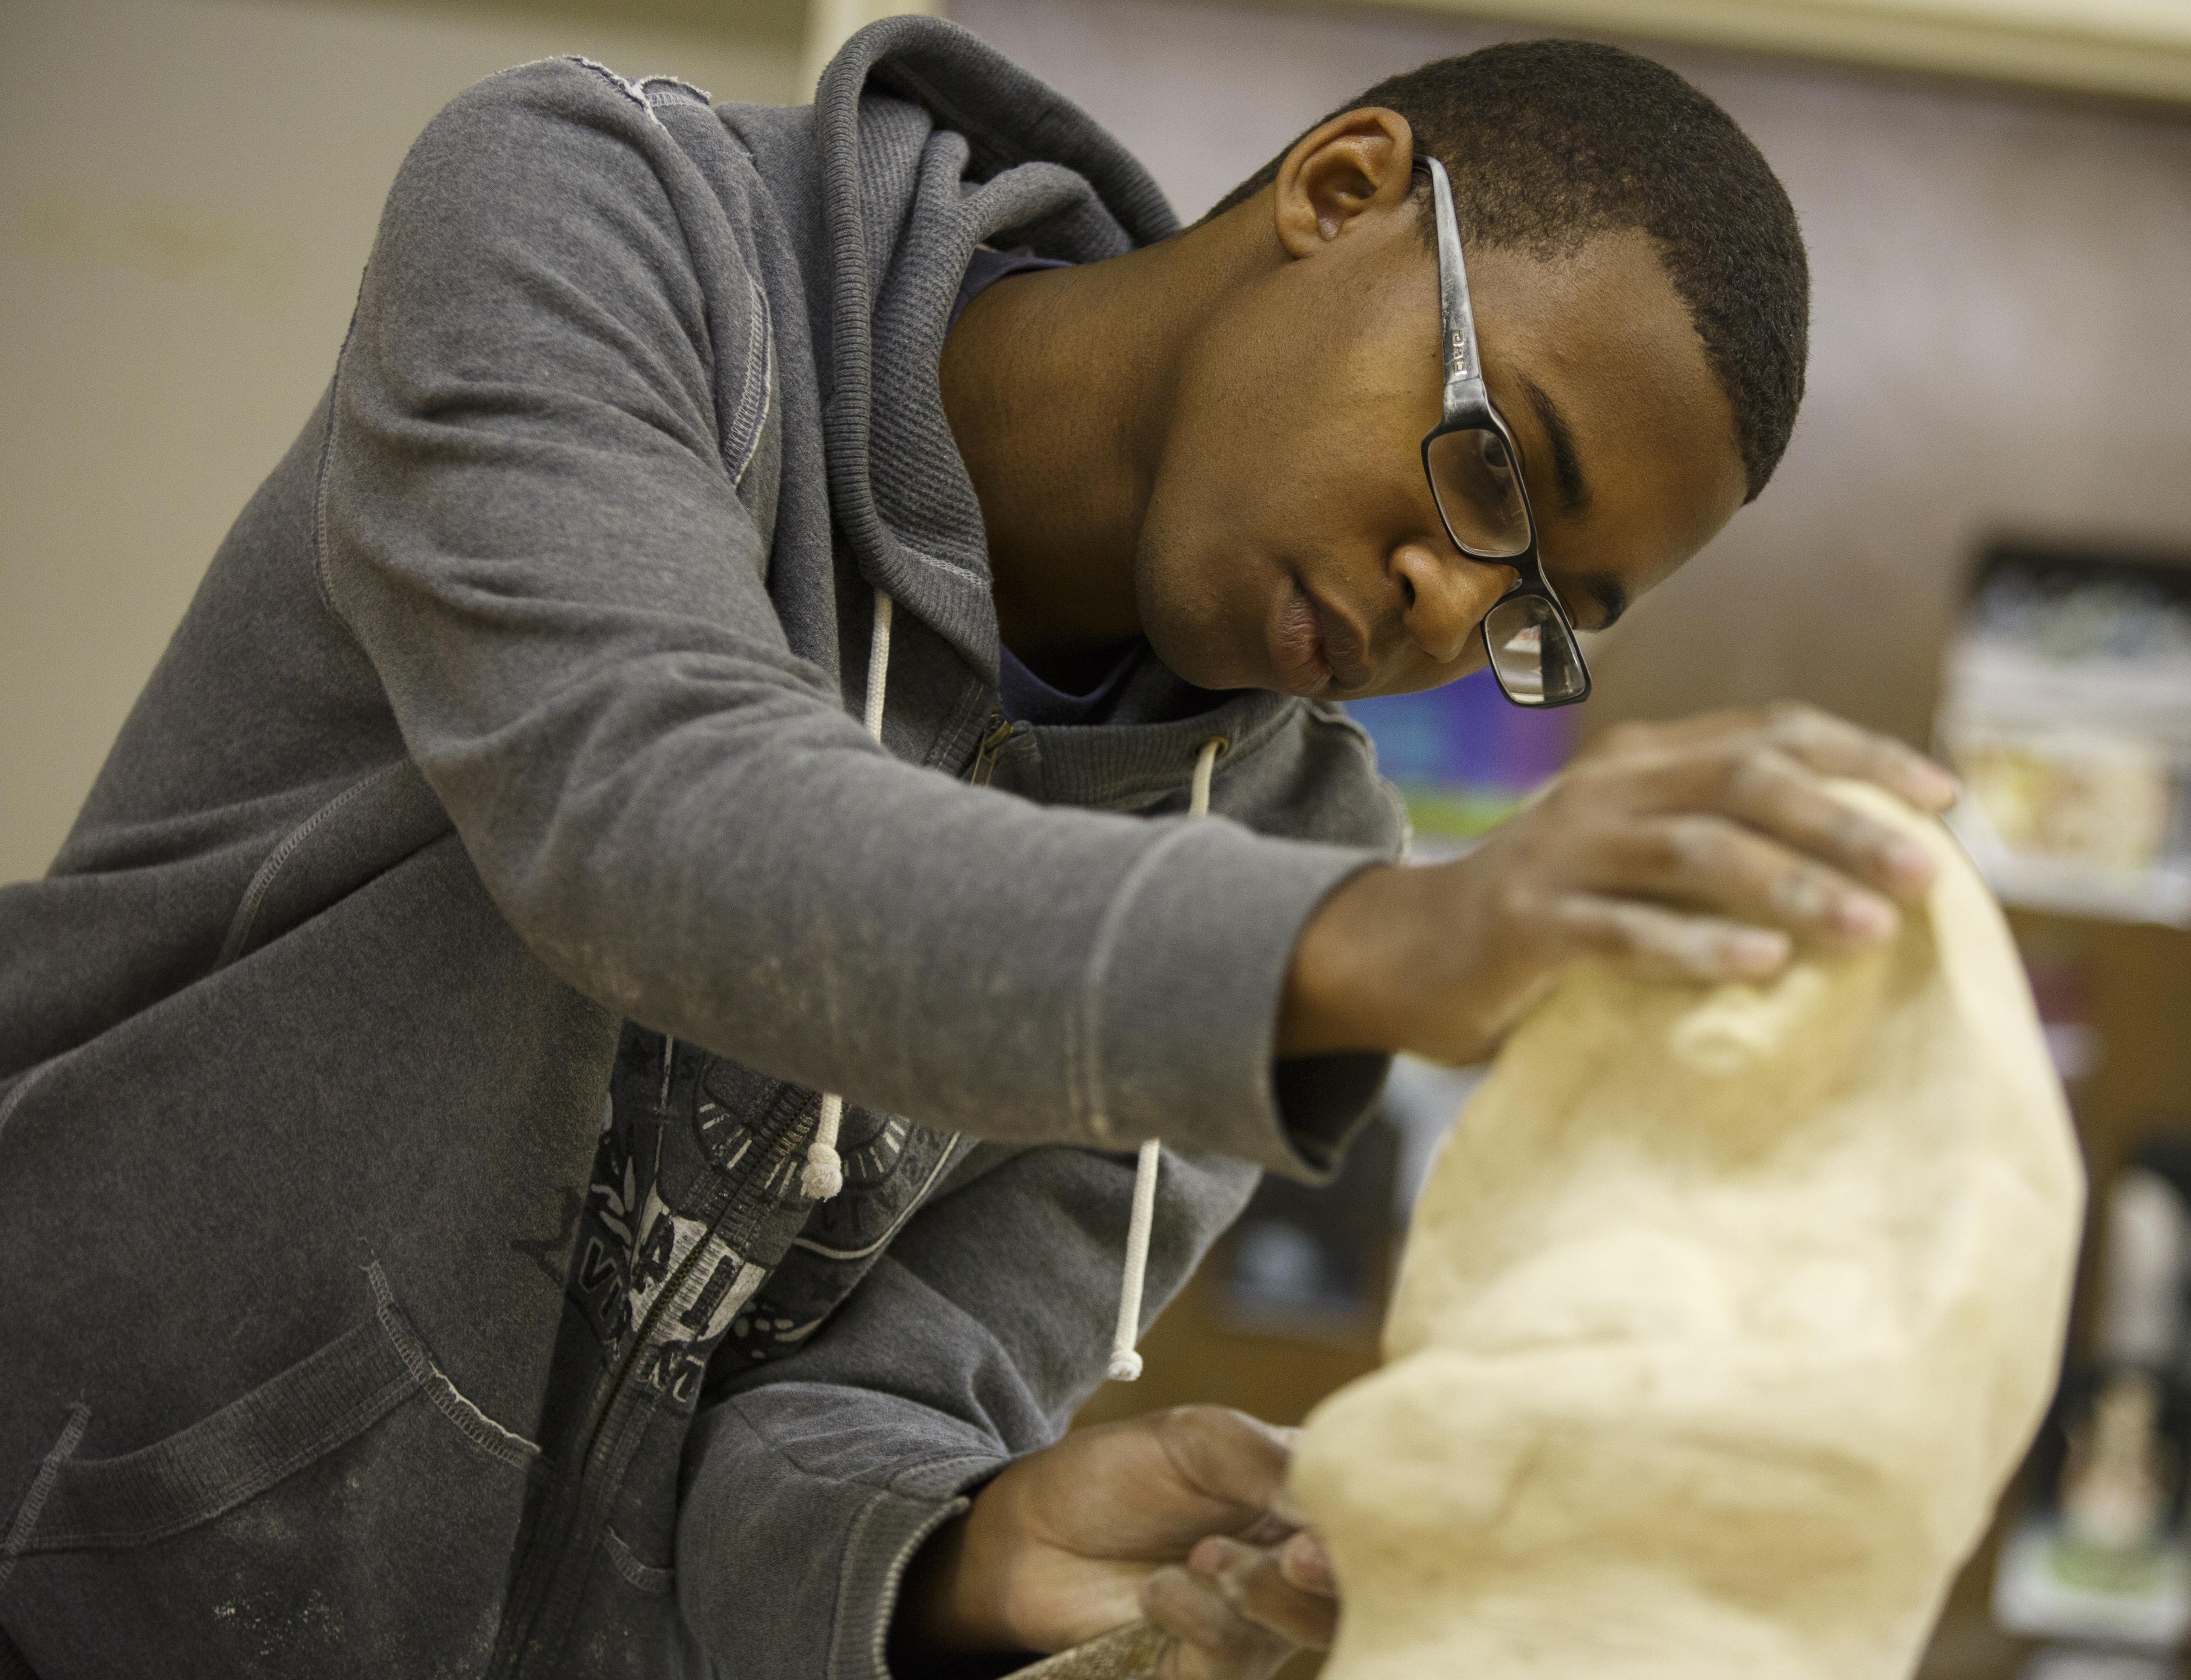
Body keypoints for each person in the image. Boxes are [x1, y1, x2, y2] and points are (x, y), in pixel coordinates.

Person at [0, 15, 1957, 1680]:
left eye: (1545, 608)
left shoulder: (1284, 839)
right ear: (1347, 189)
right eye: (1497, 467)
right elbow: (652, 812)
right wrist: (1363, 952)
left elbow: (835, 1440)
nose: (1452, 606)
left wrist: (959, 1557)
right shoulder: (610, 220)